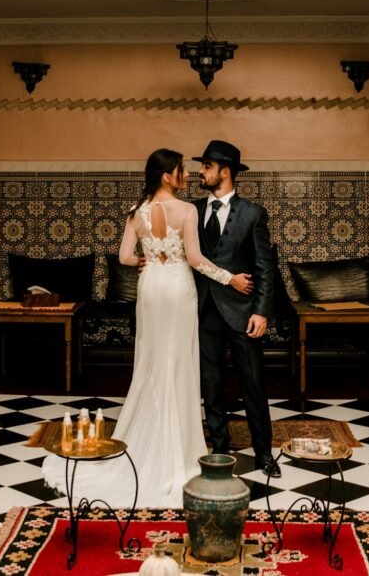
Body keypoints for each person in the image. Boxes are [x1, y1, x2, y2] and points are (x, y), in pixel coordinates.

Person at [41, 148, 252, 507]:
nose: (186, 174)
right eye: (181, 170)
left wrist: (145, 260)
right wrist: (230, 278)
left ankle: (146, 440)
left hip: (152, 285)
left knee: (151, 363)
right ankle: (179, 452)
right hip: (178, 287)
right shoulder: (186, 211)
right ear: (167, 175)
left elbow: (124, 257)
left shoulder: (135, 213)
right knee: (179, 363)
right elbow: (198, 260)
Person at [192, 140, 280, 478]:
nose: (201, 172)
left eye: (207, 167)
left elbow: (264, 267)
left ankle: (263, 453)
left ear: (224, 171)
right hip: (203, 310)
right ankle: (217, 449)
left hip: (243, 312)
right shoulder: (193, 211)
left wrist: (262, 311)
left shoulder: (253, 214)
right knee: (211, 383)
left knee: (253, 383)